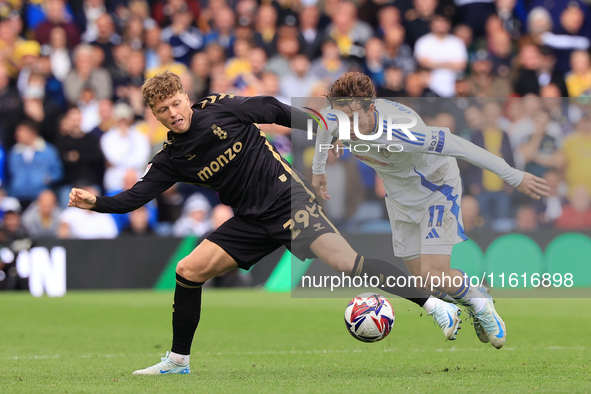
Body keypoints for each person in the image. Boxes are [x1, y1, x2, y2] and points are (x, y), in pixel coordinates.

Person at [68, 71, 462, 375]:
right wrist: (96, 202)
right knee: (187, 271)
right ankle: (177, 360)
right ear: (153, 115)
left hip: (287, 202)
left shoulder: (222, 108)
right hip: (250, 221)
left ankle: (433, 305)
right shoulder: (170, 158)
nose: (173, 114)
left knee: (348, 264)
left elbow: (272, 109)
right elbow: (134, 198)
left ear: (187, 98)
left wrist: (322, 127)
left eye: (175, 103)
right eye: (162, 111)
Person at [311, 72, 550, 350]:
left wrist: (513, 175)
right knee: (425, 285)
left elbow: (461, 147)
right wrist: (319, 171)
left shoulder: (405, 130)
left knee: (434, 274)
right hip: (399, 198)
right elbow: (323, 126)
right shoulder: (338, 115)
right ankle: (473, 296)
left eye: (353, 119)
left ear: (370, 108)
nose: (346, 126)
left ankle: (480, 304)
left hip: (436, 188)